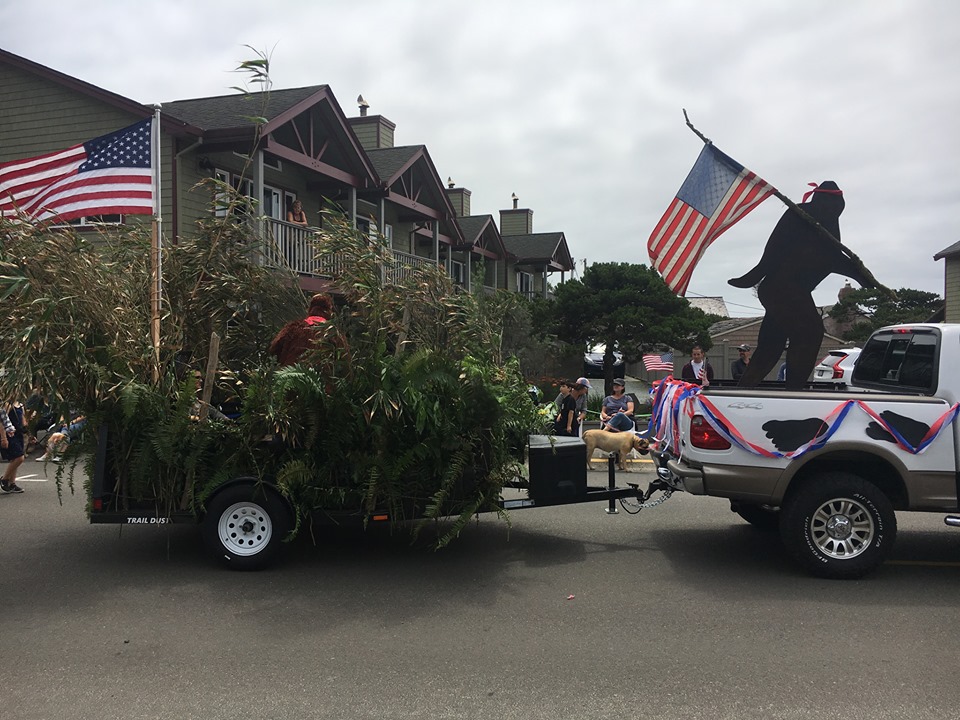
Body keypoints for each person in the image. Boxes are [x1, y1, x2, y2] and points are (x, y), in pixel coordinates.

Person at [728, 181, 873, 389]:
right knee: (809, 331)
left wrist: (861, 275)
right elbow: (773, 252)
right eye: (829, 206)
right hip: (782, 289)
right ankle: (794, 390)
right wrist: (751, 277)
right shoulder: (798, 215)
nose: (833, 211)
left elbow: (833, 258)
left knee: (771, 346)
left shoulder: (829, 226)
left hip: (791, 292)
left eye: (837, 208)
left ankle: (745, 389)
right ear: (819, 202)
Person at [269, 293, 335, 366]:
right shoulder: (333, 332)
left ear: (310, 309)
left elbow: (274, 349)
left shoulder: (293, 327)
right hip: (321, 375)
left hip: (289, 372)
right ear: (329, 311)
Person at [1, 401, 26, 493]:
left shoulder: (20, 404)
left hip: (18, 433)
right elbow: (1, 420)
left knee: (15, 459)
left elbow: (23, 422)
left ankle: (12, 483)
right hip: (9, 433)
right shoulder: (7, 404)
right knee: (19, 457)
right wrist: (3, 438)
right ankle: (4, 479)